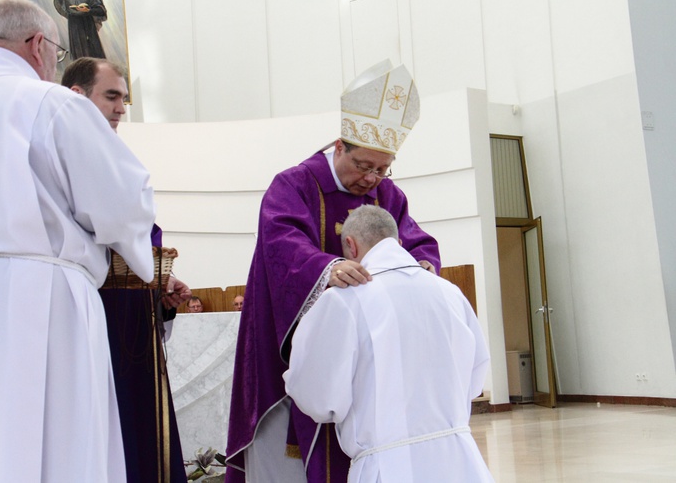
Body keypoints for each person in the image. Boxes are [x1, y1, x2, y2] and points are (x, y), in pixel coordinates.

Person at [0, 0, 155, 482]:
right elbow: (121, 201)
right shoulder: (50, 102)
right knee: (55, 443)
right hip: (40, 296)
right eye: (54, 49)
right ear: (36, 45)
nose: (54, 62)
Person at [225, 60, 441, 483]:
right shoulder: (295, 185)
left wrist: (422, 265)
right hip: (294, 351)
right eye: (364, 165)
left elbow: (414, 239)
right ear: (339, 147)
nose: (372, 179)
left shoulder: (387, 195)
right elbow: (282, 244)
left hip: (362, 358)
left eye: (383, 168)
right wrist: (328, 267)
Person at [283, 205, 493, 483]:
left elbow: (318, 399)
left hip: (389, 466)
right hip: (461, 461)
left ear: (350, 245)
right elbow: (475, 377)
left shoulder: (344, 300)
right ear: (399, 243)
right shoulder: (449, 292)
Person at [62, 56, 189, 483]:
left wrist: (161, 291)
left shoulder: (117, 157)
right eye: (112, 96)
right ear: (77, 96)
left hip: (135, 322)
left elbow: (136, 243)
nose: (121, 108)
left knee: (144, 430)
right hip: (91, 316)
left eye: (125, 99)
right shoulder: (62, 156)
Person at [40, 0, 107, 60]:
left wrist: (88, 10)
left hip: (87, 26)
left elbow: (101, 11)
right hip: (73, 26)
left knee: (90, 52)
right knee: (77, 53)